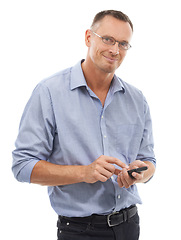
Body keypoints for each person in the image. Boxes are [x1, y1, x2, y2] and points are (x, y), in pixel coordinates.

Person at [12, 10, 156, 240]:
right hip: (79, 231)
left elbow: (150, 162)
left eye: (123, 44)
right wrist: (84, 172)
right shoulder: (49, 92)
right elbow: (22, 166)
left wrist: (140, 173)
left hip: (130, 225)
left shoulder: (137, 99)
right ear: (89, 37)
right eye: (107, 39)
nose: (114, 50)